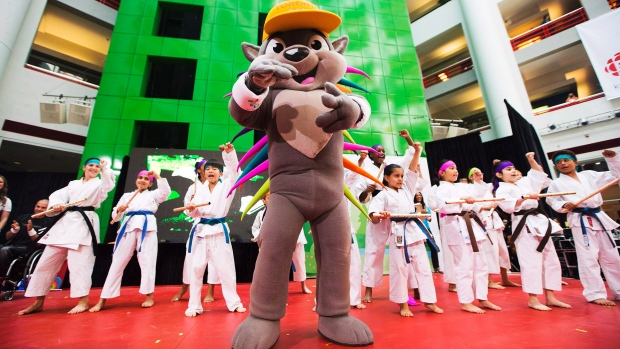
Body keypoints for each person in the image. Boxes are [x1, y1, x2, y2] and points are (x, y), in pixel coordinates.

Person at [18, 158, 116, 315]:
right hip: (64, 225)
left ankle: (83, 301)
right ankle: (38, 301)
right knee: (46, 263)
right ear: (84, 167)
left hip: (84, 224)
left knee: (80, 265)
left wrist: (105, 169)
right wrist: (56, 206)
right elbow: (57, 197)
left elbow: (108, 185)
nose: (94, 168)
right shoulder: (73, 185)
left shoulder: (99, 183)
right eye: (91, 165)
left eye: (97, 167)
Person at [369, 141, 443, 317]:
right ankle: (403, 304)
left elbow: (412, 170)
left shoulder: (407, 190)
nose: (400, 179)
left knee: (424, 269)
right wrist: (381, 215)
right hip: (398, 234)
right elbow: (372, 217)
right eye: (396, 176)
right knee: (399, 270)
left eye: (401, 176)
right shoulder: (383, 195)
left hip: (414, 232)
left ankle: (430, 301)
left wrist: (417, 151)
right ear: (386, 178)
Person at [495, 153, 571, 311]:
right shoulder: (502, 190)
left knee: (550, 260)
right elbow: (507, 207)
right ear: (499, 175)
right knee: (531, 262)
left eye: (514, 168)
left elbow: (539, 174)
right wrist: (523, 198)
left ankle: (551, 297)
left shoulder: (523, 182)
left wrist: (531, 160)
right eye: (508, 169)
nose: (513, 171)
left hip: (539, 222)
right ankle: (533, 299)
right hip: (523, 224)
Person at [89, 170, 171, 312]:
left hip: (147, 228)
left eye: (146, 179)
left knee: (147, 261)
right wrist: (119, 210)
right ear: (136, 180)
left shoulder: (153, 195)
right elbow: (115, 215)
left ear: (150, 183)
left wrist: (157, 176)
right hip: (128, 227)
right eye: (140, 178)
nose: (143, 180)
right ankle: (103, 298)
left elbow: (165, 192)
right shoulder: (127, 196)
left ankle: (149, 295)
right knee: (117, 261)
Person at [546, 149, 620, 306]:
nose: (563, 163)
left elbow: (616, 177)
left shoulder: (590, 175)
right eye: (558, 162)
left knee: (612, 256)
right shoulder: (556, 184)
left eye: (566, 160)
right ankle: (595, 293)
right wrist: (564, 204)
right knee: (588, 257)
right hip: (580, 220)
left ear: (575, 162)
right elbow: (552, 201)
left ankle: (619, 290)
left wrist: (613, 159)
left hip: (598, 217)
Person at [431, 159, 501, 314]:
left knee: (481, 264)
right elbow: (442, 206)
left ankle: (483, 298)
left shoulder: (461, 186)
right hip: (456, 227)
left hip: (471, 226)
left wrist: (477, 181)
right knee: (464, 266)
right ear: (442, 173)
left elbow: (477, 195)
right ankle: (466, 301)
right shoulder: (440, 189)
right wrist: (463, 201)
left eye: (456, 168)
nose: (455, 171)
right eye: (451, 168)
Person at [184, 143, 245, 317]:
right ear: (203, 173)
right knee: (196, 269)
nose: (211, 171)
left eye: (214, 169)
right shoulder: (198, 190)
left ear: (220, 172)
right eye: (208, 169)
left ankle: (234, 303)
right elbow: (192, 213)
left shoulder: (227, 186)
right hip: (201, 232)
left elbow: (235, 171)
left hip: (218, 232)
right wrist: (190, 207)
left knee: (225, 269)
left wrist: (229, 153)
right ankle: (194, 305)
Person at [356, 130, 417, 303]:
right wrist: (368, 191)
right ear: (371, 155)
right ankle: (368, 290)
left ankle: (411, 289)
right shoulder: (365, 172)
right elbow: (360, 198)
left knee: (405, 251)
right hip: (378, 213)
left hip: (395, 213)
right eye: (377, 151)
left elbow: (409, 161)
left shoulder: (390, 168)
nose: (381, 153)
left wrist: (408, 139)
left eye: (383, 150)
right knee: (374, 252)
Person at [469, 167, 520, 289]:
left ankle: (505, 278)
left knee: (502, 250)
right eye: (476, 174)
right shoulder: (470, 189)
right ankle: (489, 280)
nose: (479, 175)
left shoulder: (489, 187)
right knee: (489, 251)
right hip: (483, 220)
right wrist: (485, 207)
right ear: (471, 177)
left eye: (481, 173)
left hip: (495, 221)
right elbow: (472, 204)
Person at [252, 192, 312, 294]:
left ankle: (303, 286)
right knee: (275, 267)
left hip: (294, 239)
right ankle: (275, 291)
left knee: (299, 263)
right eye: (269, 198)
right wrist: (258, 237)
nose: (272, 201)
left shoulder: (285, 210)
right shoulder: (261, 214)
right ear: (263, 201)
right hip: (271, 243)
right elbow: (255, 228)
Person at [0, 200, 52, 277]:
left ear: (48, 209)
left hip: (29, 249)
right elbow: (8, 237)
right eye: (38, 206)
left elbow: (39, 243)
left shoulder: (49, 223)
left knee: (4, 250)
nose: (39, 209)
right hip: (13, 246)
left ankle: (1, 276)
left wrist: (30, 230)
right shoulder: (23, 217)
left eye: (43, 208)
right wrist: (14, 230)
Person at [414, 192, 440, 273]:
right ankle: (417, 270)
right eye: (417, 195)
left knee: (433, 247)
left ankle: (436, 268)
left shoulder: (426, 207)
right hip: (416, 229)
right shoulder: (412, 207)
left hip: (426, 229)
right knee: (416, 250)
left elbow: (430, 219)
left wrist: (426, 214)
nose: (419, 197)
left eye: (420, 195)